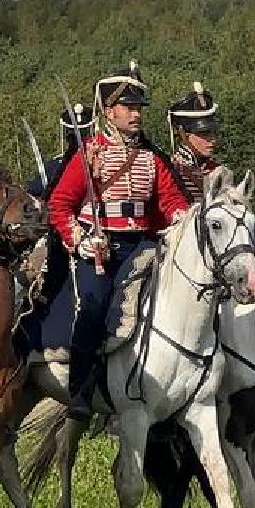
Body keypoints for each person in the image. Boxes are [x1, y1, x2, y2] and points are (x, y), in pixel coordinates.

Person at [46, 61, 189, 421]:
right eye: (128, 107)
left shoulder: (151, 158)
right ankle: (80, 388)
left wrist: (180, 219)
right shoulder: (90, 154)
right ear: (110, 112)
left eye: (139, 108)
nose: (136, 114)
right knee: (93, 303)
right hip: (99, 247)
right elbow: (60, 205)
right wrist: (79, 240)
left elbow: (171, 201)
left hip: (141, 244)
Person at [166, 83, 222, 201]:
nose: (212, 139)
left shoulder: (218, 171)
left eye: (212, 132)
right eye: (203, 133)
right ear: (182, 133)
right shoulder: (170, 171)